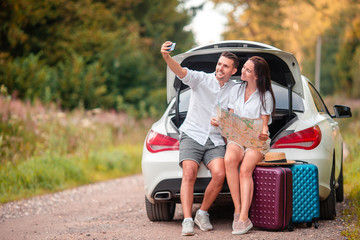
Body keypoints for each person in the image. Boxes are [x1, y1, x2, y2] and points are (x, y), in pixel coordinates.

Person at [160, 41, 239, 236]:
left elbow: (237, 115)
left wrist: (223, 120)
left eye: (225, 66)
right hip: (193, 134)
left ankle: (202, 213)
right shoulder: (201, 79)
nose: (220, 68)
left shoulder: (235, 89)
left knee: (220, 174)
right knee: (189, 173)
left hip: (215, 140)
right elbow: (181, 72)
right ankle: (187, 220)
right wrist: (167, 57)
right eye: (219, 64)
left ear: (233, 71)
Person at [223, 56, 275, 235]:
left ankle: (245, 218)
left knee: (245, 169)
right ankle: (237, 210)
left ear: (257, 76)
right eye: (243, 68)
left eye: (247, 70)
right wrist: (221, 123)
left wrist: (264, 133)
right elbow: (231, 118)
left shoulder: (265, 95)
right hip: (237, 137)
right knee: (229, 159)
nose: (243, 72)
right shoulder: (235, 90)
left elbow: (265, 124)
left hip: (256, 140)